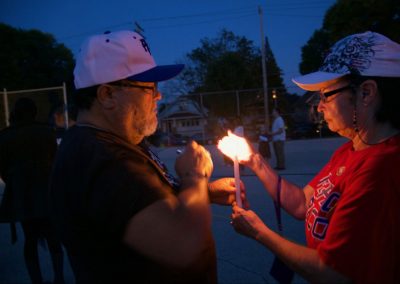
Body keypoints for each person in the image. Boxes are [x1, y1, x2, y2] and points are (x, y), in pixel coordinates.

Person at [49, 30, 241, 284]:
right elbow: (182, 244)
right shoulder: (101, 158)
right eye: (149, 87)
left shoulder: (116, 141)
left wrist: (202, 193)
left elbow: (141, 205)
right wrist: (193, 176)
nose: (158, 96)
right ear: (107, 95)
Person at [228, 31, 400, 283]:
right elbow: (302, 204)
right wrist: (255, 161)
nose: (319, 106)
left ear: (366, 93)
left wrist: (259, 233)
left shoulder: (382, 168)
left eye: (326, 95)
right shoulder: (351, 149)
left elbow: (333, 272)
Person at [0, 97, 65, 284]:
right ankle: (59, 278)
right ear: (34, 112)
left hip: (22, 194)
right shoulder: (46, 132)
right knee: (53, 237)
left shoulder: (5, 136)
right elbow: (55, 161)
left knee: (30, 238)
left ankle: (36, 280)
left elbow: (2, 168)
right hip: (46, 191)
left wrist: (15, 182)